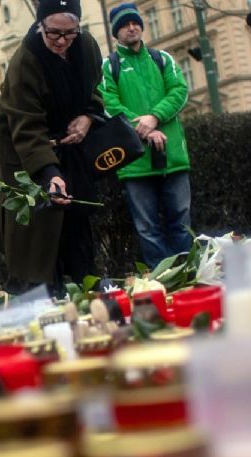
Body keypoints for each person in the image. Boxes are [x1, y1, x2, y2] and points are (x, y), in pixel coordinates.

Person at [0, 0, 105, 290]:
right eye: (54, 33)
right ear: (40, 25)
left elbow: (95, 91)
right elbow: (26, 125)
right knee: (39, 222)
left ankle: (84, 280)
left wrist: (88, 118)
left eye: (70, 33)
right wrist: (49, 172)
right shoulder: (24, 61)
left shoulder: (87, 46)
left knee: (76, 214)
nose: (62, 41)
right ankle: (40, 290)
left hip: (68, 141)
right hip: (23, 146)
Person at [100, 3, 192, 269]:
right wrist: (145, 127)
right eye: (125, 25)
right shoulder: (109, 66)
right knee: (147, 227)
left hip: (173, 156)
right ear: (116, 33)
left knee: (181, 220)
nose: (132, 27)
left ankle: (188, 273)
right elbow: (108, 104)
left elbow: (179, 91)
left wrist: (154, 116)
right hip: (135, 163)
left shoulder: (163, 58)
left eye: (135, 22)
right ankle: (164, 280)